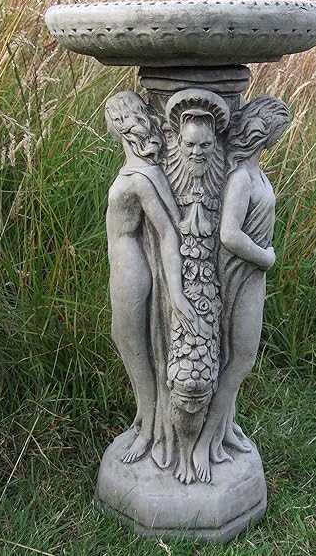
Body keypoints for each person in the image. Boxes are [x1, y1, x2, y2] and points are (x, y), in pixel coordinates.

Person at [193, 95, 290, 482]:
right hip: (242, 274)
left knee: (234, 358)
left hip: (254, 274)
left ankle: (225, 429)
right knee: (239, 360)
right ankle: (202, 444)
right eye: (278, 130)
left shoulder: (255, 173)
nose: (280, 137)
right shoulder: (240, 179)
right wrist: (264, 257)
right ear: (264, 133)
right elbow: (229, 234)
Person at [105, 92, 197, 464]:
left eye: (116, 117)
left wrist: (176, 292)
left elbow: (169, 232)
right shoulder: (140, 172)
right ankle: (146, 418)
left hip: (131, 267)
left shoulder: (142, 178)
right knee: (127, 341)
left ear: (123, 125)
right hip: (124, 264)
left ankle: (149, 429)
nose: (114, 124)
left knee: (135, 344)